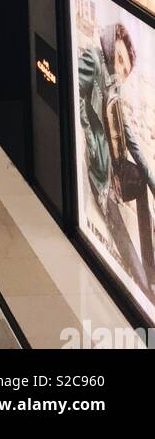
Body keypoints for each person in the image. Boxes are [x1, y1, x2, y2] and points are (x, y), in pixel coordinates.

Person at [78, 21, 155, 298]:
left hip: (114, 168)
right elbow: (75, 92)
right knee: (124, 244)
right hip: (101, 174)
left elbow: (130, 137)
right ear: (111, 46)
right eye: (119, 59)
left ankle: (152, 268)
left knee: (144, 181)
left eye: (125, 70)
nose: (120, 71)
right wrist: (90, 133)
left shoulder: (114, 88)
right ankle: (146, 287)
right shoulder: (94, 61)